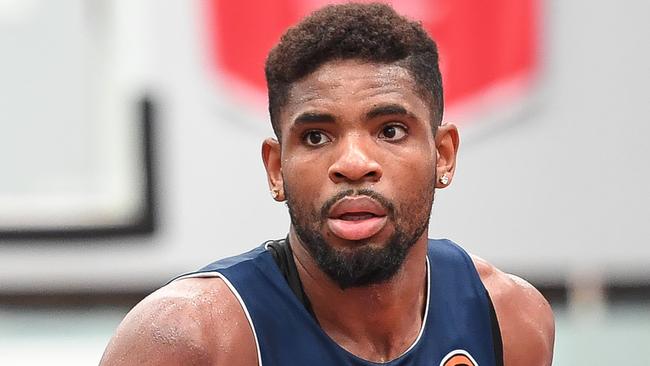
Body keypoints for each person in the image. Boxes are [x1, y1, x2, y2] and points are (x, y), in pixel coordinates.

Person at [100, 3, 554, 365]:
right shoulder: (189, 341)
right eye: (316, 136)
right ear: (276, 168)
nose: (354, 164)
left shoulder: (510, 321)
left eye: (390, 130)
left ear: (444, 155)